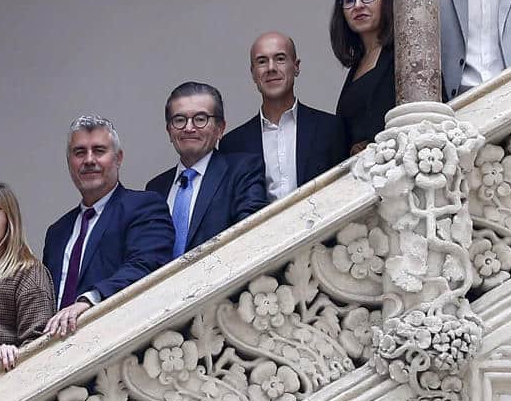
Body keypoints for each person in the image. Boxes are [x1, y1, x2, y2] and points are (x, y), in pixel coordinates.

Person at [41, 115, 173, 337]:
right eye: (79, 152)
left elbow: (146, 266)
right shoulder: (57, 232)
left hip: (114, 343)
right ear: (69, 162)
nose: (89, 160)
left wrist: (89, 300)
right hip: (54, 351)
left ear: (118, 158)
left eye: (99, 151)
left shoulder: (144, 206)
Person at [218, 31, 349, 200]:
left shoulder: (330, 129)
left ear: (296, 67)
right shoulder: (232, 145)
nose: (271, 68)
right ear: (253, 73)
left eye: (280, 58)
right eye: (262, 61)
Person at [145, 81, 268, 257]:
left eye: (200, 119)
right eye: (179, 120)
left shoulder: (243, 171)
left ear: (220, 129)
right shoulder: (156, 188)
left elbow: (250, 234)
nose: (188, 128)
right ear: (169, 131)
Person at [0, 182, 56, 371]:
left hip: (7, 391)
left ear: (9, 221)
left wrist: (12, 352)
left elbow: (40, 345)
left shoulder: (29, 273)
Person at [331, 0, 395, 153]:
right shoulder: (357, 65)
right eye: (349, 0)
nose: (358, 6)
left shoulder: (403, 56)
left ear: (385, 0)